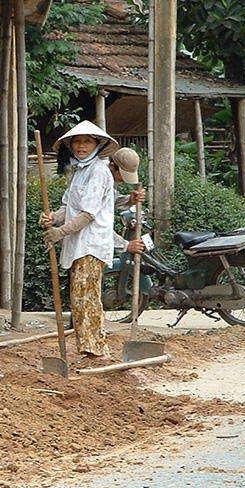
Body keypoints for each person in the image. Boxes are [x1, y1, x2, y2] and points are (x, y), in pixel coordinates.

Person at [40, 120, 119, 362]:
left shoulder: (98, 171)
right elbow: (70, 207)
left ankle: (97, 350)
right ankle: (88, 348)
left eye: (87, 141)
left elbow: (87, 214)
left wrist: (60, 232)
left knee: (86, 297)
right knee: (78, 297)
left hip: (91, 244)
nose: (81, 146)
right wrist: (53, 217)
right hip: (79, 244)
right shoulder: (80, 171)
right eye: (77, 141)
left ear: (97, 144)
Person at [110, 147, 146, 256]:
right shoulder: (100, 180)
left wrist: (129, 200)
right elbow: (98, 224)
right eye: (122, 174)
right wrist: (124, 245)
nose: (123, 179)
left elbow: (111, 201)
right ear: (112, 166)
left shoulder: (112, 180)